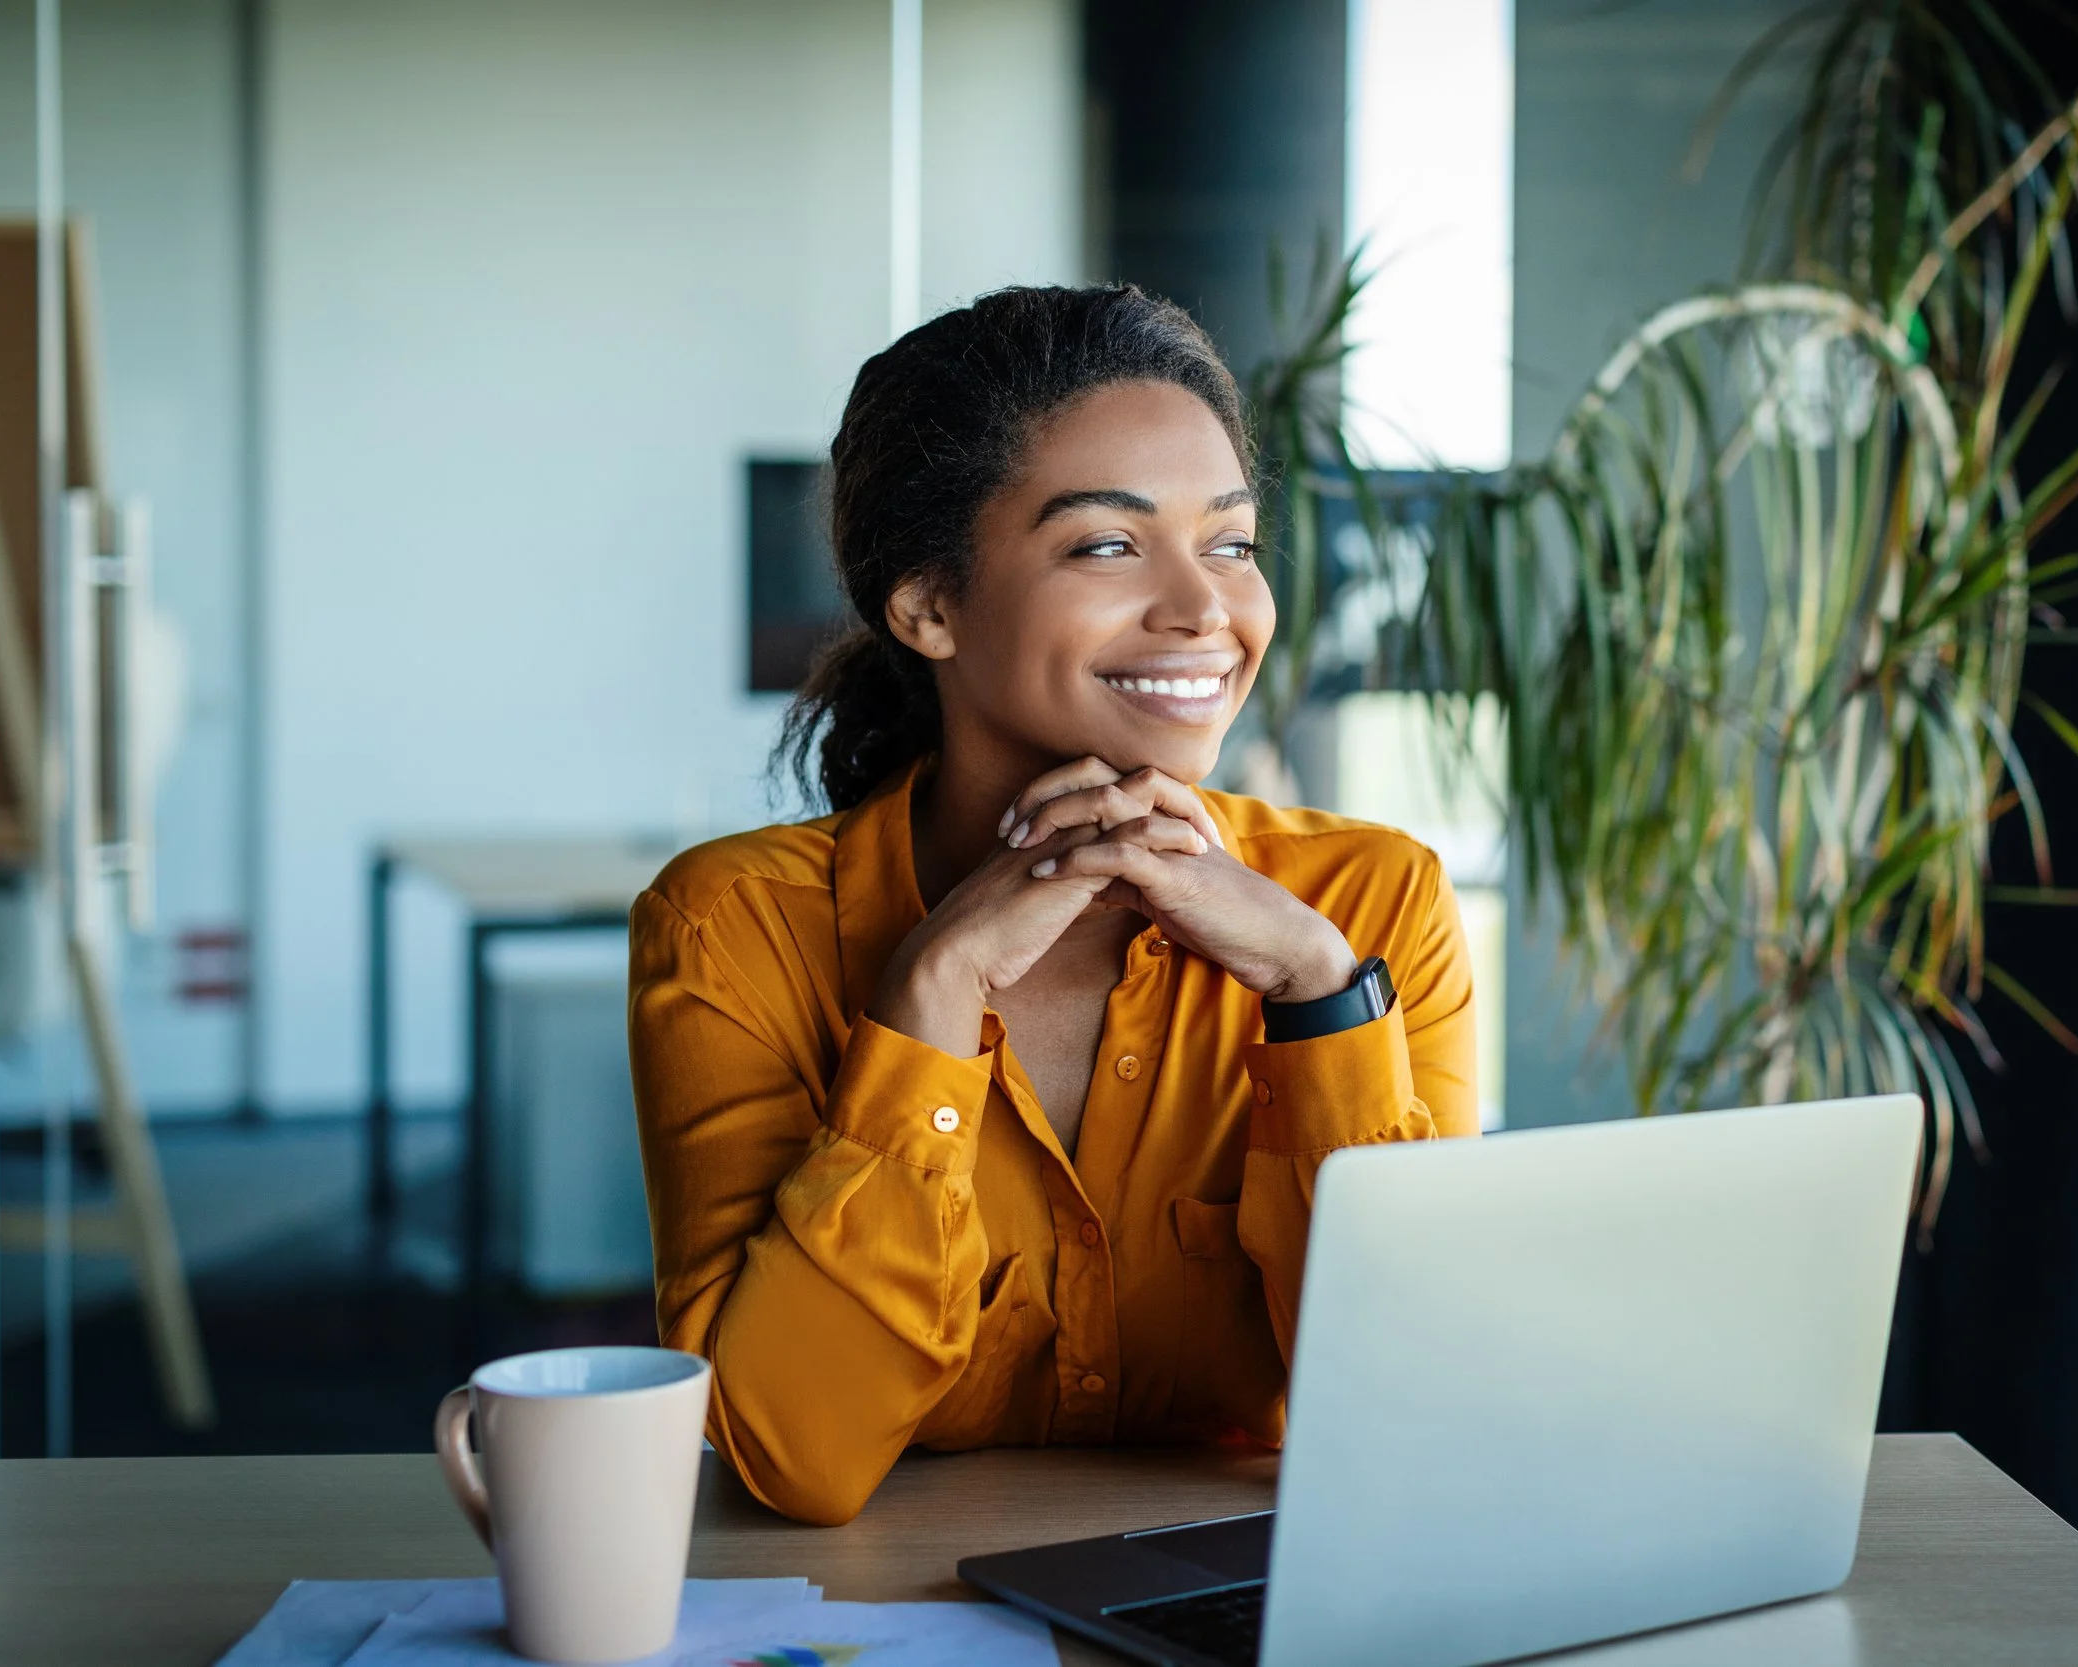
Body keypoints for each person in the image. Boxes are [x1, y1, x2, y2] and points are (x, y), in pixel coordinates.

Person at [629, 284, 1477, 1526]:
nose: (1205, 611)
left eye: (1231, 543)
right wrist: (926, 1001)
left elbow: (1425, 1406)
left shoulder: (1365, 907)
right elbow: (789, 1454)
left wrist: (1317, 996)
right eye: (1107, 544)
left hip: (1249, 1611)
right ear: (925, 605)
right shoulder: (731, 928)